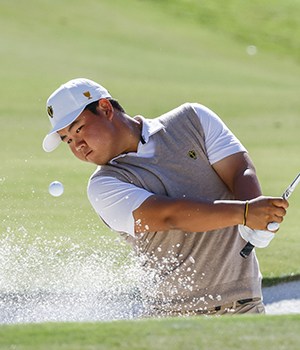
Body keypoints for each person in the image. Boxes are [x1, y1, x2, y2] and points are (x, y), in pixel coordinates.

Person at [42, 78, 288, 316]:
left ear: (105, 108)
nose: (78, 146)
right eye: (69, 141)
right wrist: (244, 213)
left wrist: (258, 218)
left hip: (242, 305)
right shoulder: (103, 185)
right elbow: (170, 216)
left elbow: (238, 170)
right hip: (172, 316)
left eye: (79, 129)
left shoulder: (193, 119)